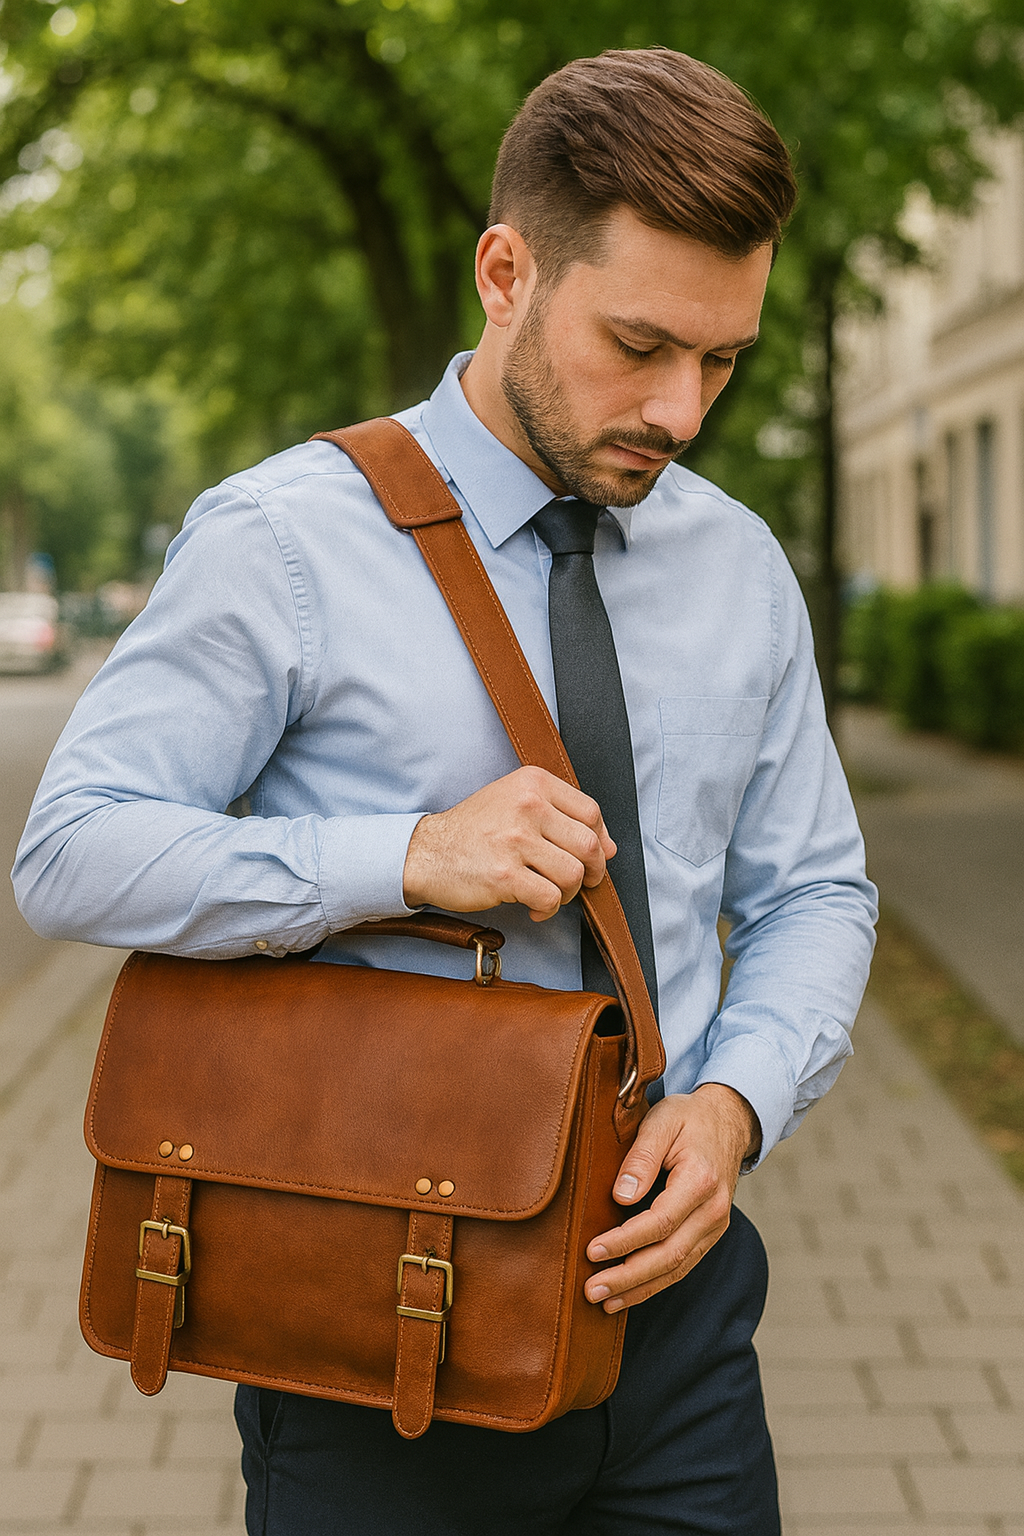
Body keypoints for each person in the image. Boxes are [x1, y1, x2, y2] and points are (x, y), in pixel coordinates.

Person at [14, 47, 876, 1535]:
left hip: (673, 1329)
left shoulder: (738, 564)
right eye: (640, 343)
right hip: (365, 1324)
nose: (683, 411)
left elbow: (810, 887)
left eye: (723, 360)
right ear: (504, 272)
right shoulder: (284, 537)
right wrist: (405, 856)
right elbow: (74, 853)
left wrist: (736, 1104)